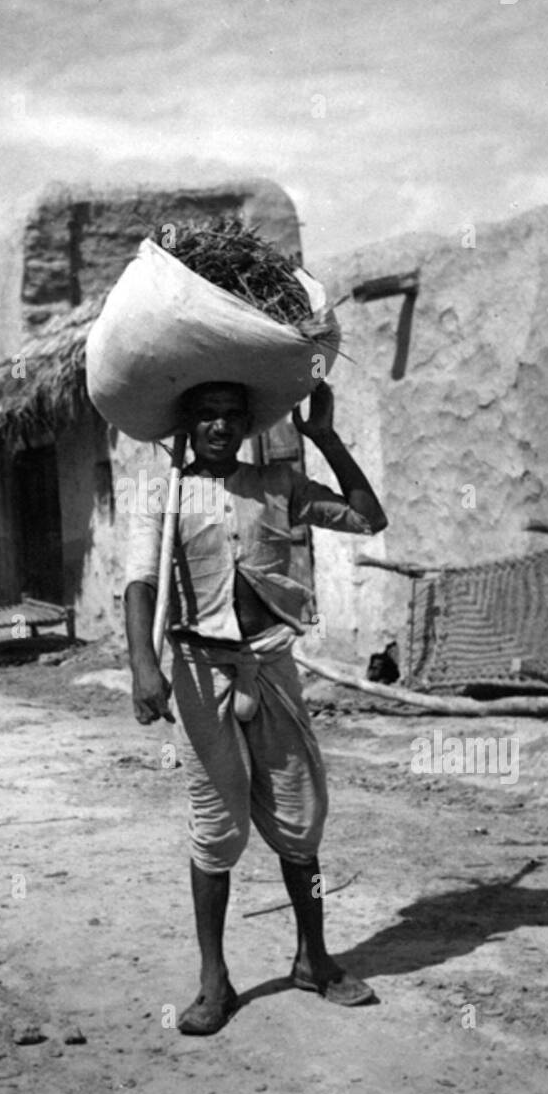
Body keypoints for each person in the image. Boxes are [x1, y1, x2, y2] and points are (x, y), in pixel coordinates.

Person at [123, 379, 387, 1035]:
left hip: (270, 663)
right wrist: (142, 665)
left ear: (247, 424)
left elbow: (366, 517)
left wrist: (322, 437)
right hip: (195, 669)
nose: (217, 427)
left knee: (301, 820)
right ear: (188, 424)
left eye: (229, 416)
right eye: (205, 417)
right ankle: (214, 981)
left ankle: (314, 959)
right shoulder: (163, 492)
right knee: (216, 829)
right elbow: (139, 583)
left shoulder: (276, 485)